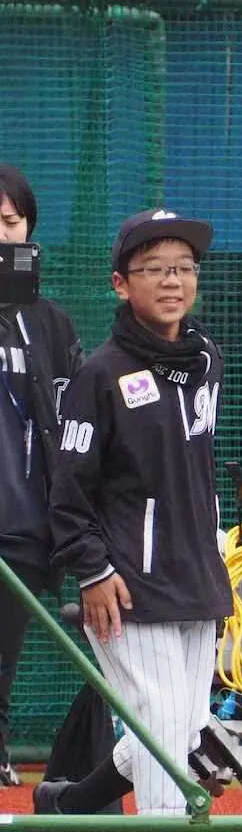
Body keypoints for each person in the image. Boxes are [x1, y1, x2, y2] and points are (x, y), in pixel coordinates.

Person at [36, 208, 232, 832]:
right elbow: (69, 487)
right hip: (125, 583)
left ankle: (70, 802)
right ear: (122, 284)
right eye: (155, 269)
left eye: (183, 267)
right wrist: (92, 568)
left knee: (178, 726)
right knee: (153, 719)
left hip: (197, 580)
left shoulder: (206, 359)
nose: (173, 281)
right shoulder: (101, 374)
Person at [0, 166, 81, 788]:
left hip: (26, 526)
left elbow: (70, 419)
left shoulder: (48, 321)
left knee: (4, 657)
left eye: (10, 222)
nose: (2, 235)